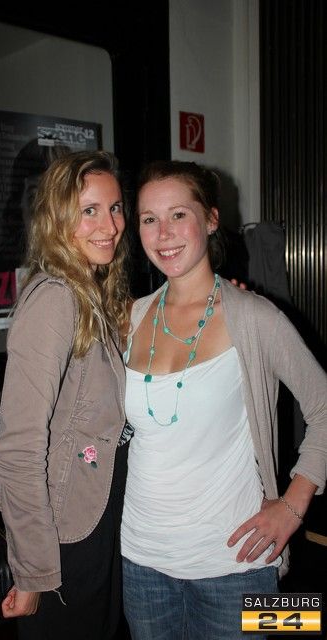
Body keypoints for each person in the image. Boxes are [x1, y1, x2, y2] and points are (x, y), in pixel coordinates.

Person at [121, 160, 327, 639]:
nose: (163, 233)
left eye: (178, 214)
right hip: (141, 564)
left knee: (292, 628)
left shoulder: (255, 317)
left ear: (211, 219)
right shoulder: (129, 318)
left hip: (238, 566)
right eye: (149, 219)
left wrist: (293, 505)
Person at [0, 150, 132, 640]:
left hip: (96, 516)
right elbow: (17, 448)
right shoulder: (54, 298)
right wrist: (34, 573)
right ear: (58, 218)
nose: (109, 225)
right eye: (89, 210)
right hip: (64, 536)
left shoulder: (92, 295)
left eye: (114, 208)